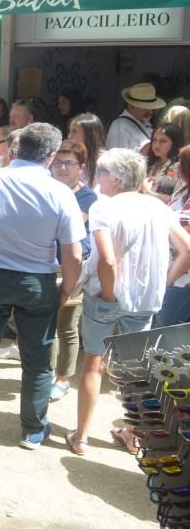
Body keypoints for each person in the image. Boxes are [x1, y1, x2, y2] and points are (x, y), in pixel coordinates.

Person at [0, 123, 85, 450]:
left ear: (16, 148)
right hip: (37, 282)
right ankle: (33, 430)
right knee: (37, 360)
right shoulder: (61, 193)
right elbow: (74, 254)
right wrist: (66, 290)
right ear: (50, 157)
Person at [67, 149, 190, 455]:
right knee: (138, 371)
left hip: (108, 296)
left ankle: (81, 437)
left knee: (93, 365)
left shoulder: (104, 207)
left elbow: (107, 260)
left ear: (117, 179)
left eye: (101, 172)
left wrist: (108, 294)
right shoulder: (158, 208)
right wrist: (162, 284)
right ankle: (135, 435)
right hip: (145, 299)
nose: (96, 178)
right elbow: (186, 250)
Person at [47, 140, 98, 403]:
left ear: (81, 167)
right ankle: (46, 373)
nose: (63, 168)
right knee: (45, 324)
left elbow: (70, 226)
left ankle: (63, 378)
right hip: (44, 264)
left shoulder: (88, 197)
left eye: (69, 163)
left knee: (67, 326)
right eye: (58, 162)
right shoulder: (46, 188)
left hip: (74, 265)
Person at [159, 145, 190, 327]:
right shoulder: (182, 192)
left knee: (166, 342)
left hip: (181, 282)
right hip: (172, 275)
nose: (177, 166)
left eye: (182, 162)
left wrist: (167, 283)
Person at [106, 82, 165, 150]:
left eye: (152, 107)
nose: (151, 111)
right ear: (131, 106)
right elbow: (117, 159)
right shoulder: (120, 129)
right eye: (145, 107)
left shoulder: (145, 122)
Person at [145, 122, 184, 203]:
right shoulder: (153, 163)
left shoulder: (179, 167)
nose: (156, 145)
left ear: (175, 144)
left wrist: (147, 191)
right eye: (154, 140)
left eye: (163, 141)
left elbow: (176, 200)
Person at [68, 112, 107, 188]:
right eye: (69, 131)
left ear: (89, 134)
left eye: (74, 131)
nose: (69, 136)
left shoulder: (105, 161)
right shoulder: (72, 157)